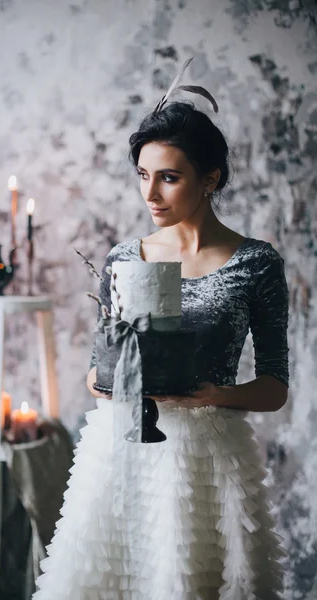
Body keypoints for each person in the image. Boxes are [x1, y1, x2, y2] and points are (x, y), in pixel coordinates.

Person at [33, 62, 289, 600]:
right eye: (143, 176)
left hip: (206, 458)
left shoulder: (256, 263)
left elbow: (275, 386)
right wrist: (106, 382)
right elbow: (98, 372)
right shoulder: (126, 259)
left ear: (210, 178)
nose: (151, 194)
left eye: (169, 177)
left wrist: (213, 395)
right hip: (121, 450)